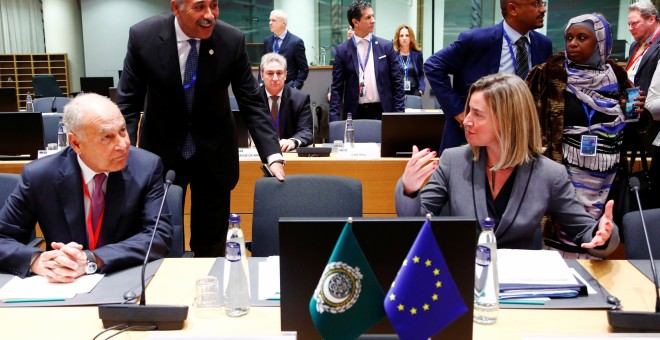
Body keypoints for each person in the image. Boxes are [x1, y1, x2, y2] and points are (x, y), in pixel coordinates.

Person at [116, 0, 285, 257]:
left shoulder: (231, 39)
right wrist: (122, 154)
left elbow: (251, 101)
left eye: (214, 5)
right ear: (176, 7)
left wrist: (272, 154)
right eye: (199, 7)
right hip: (162, 153)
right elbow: (128, 102)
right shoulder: (144, 36)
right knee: (159, 243)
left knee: (210, 248)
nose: (209, 15)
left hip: (213, 156)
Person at [396, 73, 619, 258]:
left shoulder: (550, 174)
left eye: (477, 114)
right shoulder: (453, 160)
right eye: (469, 111)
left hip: (521, 288)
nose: (466, 121)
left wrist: (603, 235)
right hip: (463, 280)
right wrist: (409, 188)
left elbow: (584, 231)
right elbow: (414, 226)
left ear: (508, 120)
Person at [0, 93, 173, 282]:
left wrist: (92, 259)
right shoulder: (40, 176)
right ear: (76, 143)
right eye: (107, 137)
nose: (123, 145)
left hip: (124, 276)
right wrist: (38, 261)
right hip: (63, 283)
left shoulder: (146, 167)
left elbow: (158, 236)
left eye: (122, 130)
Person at [526, 14, 641, 220]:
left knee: (598, 236)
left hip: (608, 172)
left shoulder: (617, 76)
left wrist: (635, 111)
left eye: (582, 38)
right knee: (563, 229)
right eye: (569, 38)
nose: (573, 44)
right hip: (563, 170)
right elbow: (525, 120)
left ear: (601, 42)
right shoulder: (548, 74)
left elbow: (634, 128)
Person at [424, 0, 552, 155]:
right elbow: (433, 66)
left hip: (521, 137)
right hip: (474, 138)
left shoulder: (543, 44)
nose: (543, 9)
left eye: (542, 3)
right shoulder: (475, 40)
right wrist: (458, 110)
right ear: (513, 9)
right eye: (535, 4)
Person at [329, 0, 405, 121]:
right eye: (368, 17)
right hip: (355, 113)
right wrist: (334, 121)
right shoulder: (342, 51)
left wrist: (399, 115)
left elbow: (398, 84)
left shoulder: (386, 47)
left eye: (373, 16)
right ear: (355, 22)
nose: (373, 20)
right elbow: (336, 90)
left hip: (383, 111)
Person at [260, 53, 313, 151]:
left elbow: (306, 131)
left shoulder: (300, 99)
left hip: (288, 154)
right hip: (258, 154)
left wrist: (293, 141)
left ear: (285, 75)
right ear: (262, 75)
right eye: (270, 73)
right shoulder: (252, 98)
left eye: (279, 73)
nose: (275, 78)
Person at [260, 9, 309, 90]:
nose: (270, 23)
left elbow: (304, 69)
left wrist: (295, 86)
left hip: (288, 88)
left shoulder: (296, 42)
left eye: (273, 20)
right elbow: (262, 64)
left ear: (283, 23)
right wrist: (261, 82)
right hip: (268, 87)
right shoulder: (267, 41)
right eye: (270, 20)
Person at [625, 1, 660, 90]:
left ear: (651, 19)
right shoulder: (634, 45)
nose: (630, 29)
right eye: (629, 24)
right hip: (630, 101)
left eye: (634, 23)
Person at [393, 24, 425, 97]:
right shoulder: (393, 54)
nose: (404, 38)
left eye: (407, 35)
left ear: (411, 37)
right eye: (401, 35)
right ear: (398, 38)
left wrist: (421, 89)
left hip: (414, 92)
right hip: (397, 93)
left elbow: (421, 74)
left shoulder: (417, 54)